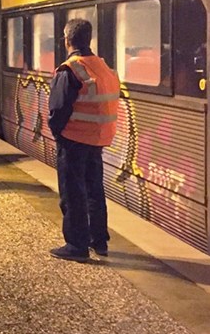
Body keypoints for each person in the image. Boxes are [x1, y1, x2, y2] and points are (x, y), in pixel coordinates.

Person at [48, 18, 120, 262]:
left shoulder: (70, 69)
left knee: (73, 192)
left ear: (67, 40)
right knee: (94, 190)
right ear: (88, 39)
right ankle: (99, 241)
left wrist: (57, 132)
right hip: (97, 139)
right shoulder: (102, 66)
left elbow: (58, 109)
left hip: (73, 140)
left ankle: (76, 245)